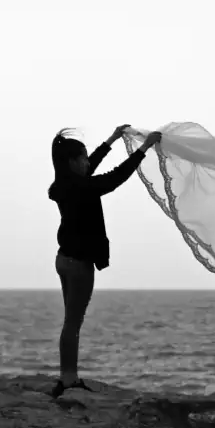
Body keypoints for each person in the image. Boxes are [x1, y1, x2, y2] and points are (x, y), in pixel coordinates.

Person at [47, 124, 162, 398]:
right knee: (73, 323)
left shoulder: (65, 184)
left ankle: (67, 376)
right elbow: (113, 178)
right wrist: (144, 150)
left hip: (64, 259)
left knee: (70, 321)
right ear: (72, 162)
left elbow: (93, 166)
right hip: (78, 264)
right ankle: (69, 379)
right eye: (83, 158)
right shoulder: (80, 188)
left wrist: (111, 140)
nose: (88, 162)